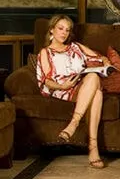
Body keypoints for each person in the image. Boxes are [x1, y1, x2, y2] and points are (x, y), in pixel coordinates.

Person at [36, 14, 109, 169]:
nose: (64, 33)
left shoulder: (75, 47)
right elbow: (46, 80)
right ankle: (93, 148)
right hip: (62, 88)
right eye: (60, 28)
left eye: (67, 30)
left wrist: (107, 62)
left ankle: (73, 124)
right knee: (97, 93)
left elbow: (99, 57)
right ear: (51, 30)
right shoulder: (45, 52)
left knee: (94, 79)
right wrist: (62, 87)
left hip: (80, 86)